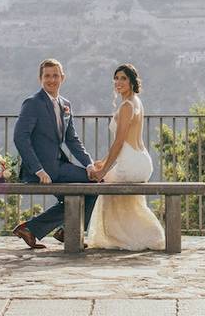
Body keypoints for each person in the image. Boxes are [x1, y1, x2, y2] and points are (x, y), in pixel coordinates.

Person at [11, 58, 98, 249]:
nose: (52, 80)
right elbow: (20, 138)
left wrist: (89, 164)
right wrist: (38, 170)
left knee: (94, 183)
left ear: (63, 78)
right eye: (47, 76)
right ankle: (63, 231)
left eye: (55, 75)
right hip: (41, 171)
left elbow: (72, 139)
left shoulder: (65, 104)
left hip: (59, 166)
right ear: (40, 78)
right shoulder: (33, 103)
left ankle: (36, 229)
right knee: (94, 187)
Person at [85, 64, 166, 250]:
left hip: (130, 162)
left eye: (123, 78)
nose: (118, 82)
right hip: (140, 160)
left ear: (131, 82)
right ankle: (134, 234)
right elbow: (122, 144)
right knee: (125, 200)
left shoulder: (127, 106)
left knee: (103, 184)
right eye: (116, 78)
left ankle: (121, 237)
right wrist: (103, 162)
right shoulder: (136, 102)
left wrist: (103, 171)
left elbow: (120, 142)